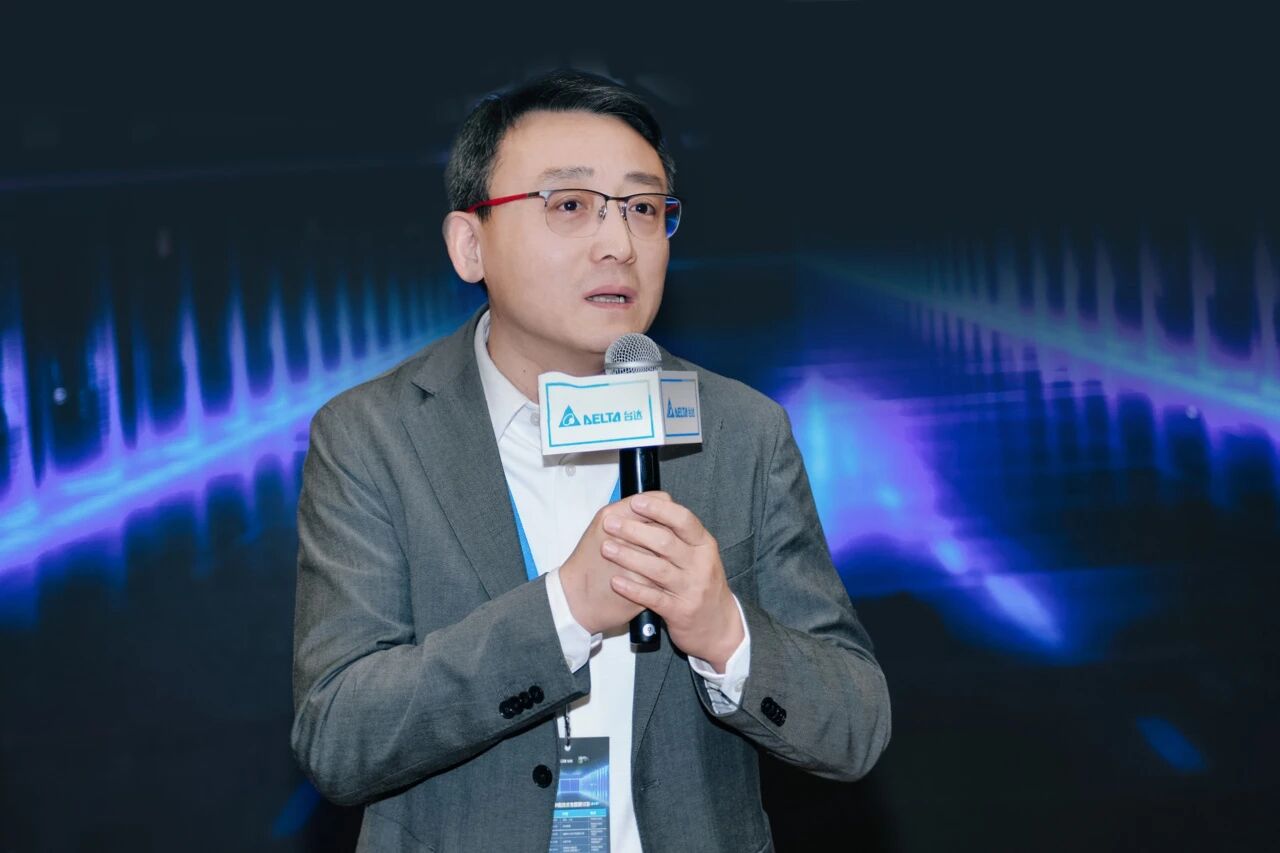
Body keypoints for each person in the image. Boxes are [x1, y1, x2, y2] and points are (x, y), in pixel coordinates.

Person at [291, 69, 890, 852]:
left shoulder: (741, 429)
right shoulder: (371, 436)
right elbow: (338, 734)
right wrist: (562, 613)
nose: (619, 244)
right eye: (570, 205)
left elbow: (856, 725)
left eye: (643, 209)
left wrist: (725, 631)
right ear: (470, 244)